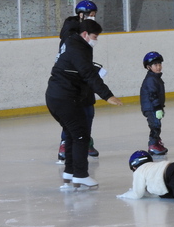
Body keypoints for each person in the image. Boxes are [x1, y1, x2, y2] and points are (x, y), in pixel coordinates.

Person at [46, 19, 123, 190]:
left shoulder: (72, 41)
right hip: (65, 98)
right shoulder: (78, 47)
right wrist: (107, 95)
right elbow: (88, 74)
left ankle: (69, 173)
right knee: (81, 135)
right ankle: (80, 175)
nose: (96, 40)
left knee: (72, 134)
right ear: (85, 34)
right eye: (95, 36)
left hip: (56, 96)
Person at [57, 0, 101, 161]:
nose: (93, 18)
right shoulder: (71, 32)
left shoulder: (86, 30)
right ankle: (65, 142)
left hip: (83, 76)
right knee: (73, 112)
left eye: (94, 15)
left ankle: (85, 140)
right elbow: (71, 57)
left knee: (89, 110)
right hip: (71, 78)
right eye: (90, 15)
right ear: (81, 15)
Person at [140, 51, 167, 156]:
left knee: (157, 124)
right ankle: (152, 145)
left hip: (153, 106)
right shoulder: (151, 79)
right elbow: (153, 94)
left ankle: (156, 142)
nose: (158, 67)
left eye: (160, 64)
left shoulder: (156, 77)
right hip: (151, 107)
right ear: (148, 67)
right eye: (155, 65)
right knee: (155, 126)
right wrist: (157, 108)